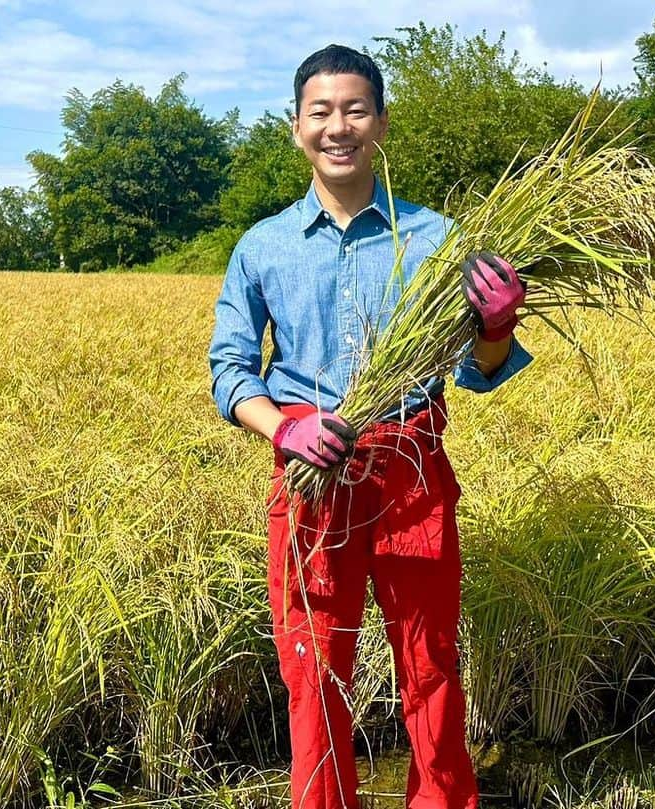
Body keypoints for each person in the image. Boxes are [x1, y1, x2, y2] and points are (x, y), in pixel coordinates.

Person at [209, 44, 531, 809]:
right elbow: (230, 369)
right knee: (313, 671)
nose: (338, 126)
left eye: (355, 109)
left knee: (430, 667)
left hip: (411, 473)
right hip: (311, 479)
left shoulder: (437, 240)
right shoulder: (263, 246)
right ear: (296, 128)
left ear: (381, 123)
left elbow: (476, 367)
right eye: (321, 111)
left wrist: (496, 321)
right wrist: (281, 431)